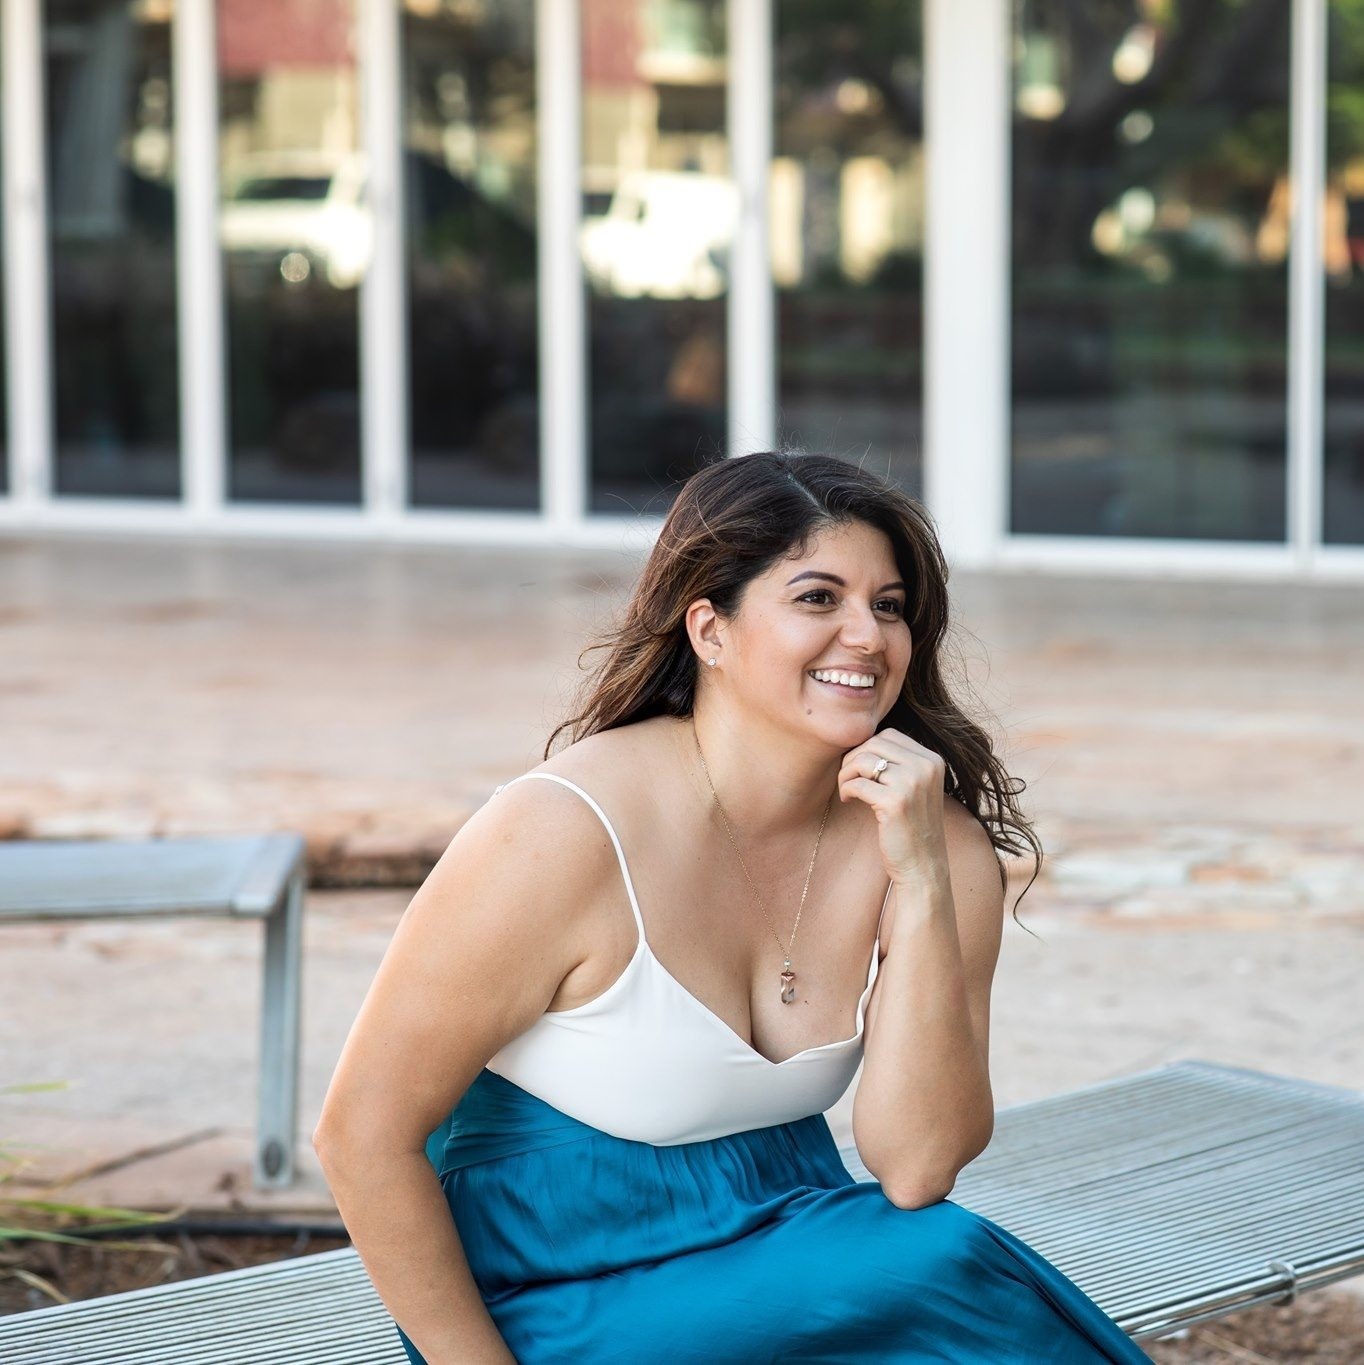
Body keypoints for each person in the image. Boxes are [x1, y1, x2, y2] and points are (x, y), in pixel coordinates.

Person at [314, 451, 1152, 1363]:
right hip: (549, 1291)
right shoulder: (561, 832)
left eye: (889, 605)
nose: (867, 636)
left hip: (786, 1245)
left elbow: (919, 1167)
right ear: (710, 629)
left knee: (940, 1266)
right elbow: (361, 1135)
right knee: (945, 1277)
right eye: (818, 597)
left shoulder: (929, 840)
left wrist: (920, 883)